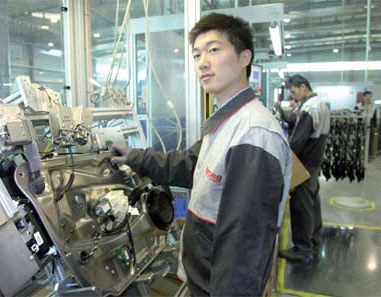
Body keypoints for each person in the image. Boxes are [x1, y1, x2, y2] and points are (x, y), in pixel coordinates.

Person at [112, 13, 292, 296]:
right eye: (196, 55)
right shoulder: (227, 121)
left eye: (214, 50)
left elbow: (243, 244)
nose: (202, 62)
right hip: (202, 279)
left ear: (244, 58)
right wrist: (135, 157)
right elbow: (189, 164)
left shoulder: (252, 135)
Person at [279, 74, 330, 263]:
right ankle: (315, 237)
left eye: (294, 91)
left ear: (303, 87)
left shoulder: (309, 107)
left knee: (301, 205)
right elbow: (298, 123)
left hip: (305, 162)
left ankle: (302, 248)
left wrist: (284, 156)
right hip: (315, 160)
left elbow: (298, 141)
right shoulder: (320, 103)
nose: (294, 96)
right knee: (312, 201)